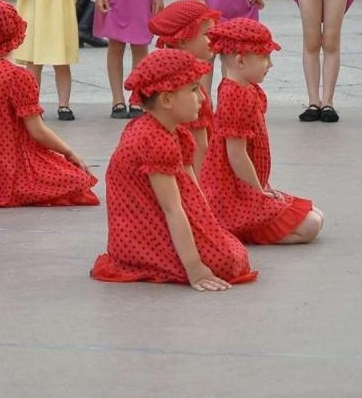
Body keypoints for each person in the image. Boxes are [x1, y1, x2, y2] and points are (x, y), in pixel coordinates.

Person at [90, 48, 257, 289]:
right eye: (193, 90)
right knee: (226, 262)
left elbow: (194, 195)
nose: (202, 97)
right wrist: (194, 268)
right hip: (142, 232)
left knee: (232, 255)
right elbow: (172, 208)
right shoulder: (152, 139)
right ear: (166, 100)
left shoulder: (173, 132)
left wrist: (210, 231)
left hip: (153, 221)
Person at [0, 0, 98, 208]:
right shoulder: (18, 76)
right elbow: (37, 131)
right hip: (11, 163)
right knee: (78, 181)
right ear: (16, 32)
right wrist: (69, 152)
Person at [200, 18, 322, 244]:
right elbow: (236, 155)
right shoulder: (234, 94)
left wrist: (263, 185)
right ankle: (242, 228)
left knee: (316, 216)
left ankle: (253, 220)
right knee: (311, 226)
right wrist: (258, 193)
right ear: (240, 61)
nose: (270, 64)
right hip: (235, 192)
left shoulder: (245, 89)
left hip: (249, 185)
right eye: (265, 57)